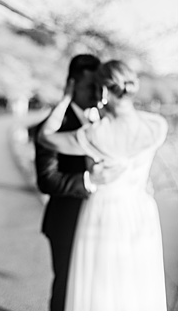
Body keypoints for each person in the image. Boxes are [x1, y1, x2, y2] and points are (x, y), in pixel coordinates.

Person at [37, 60, 168, 310]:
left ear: (105, 92)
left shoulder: (97, 134)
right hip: (140, 211)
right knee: (134, 287)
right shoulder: (157, 126)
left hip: (103, 214)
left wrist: (64, 98)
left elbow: (45, 137)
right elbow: (47, 179)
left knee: (98, 289)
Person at [30, 54, 103, 310]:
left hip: (103, 223)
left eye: (99, 86)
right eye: (89, 86)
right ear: (71, 84)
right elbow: (47, 180)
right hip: (66, 222)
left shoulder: (106, 123)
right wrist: (89, 183)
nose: (95, 93)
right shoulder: (51, 127)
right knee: (66, 289)